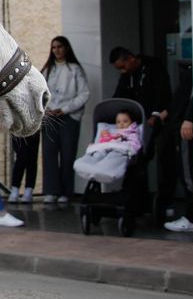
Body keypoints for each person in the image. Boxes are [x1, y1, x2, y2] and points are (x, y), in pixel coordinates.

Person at [110, 46, 173, 214]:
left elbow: (162, 92)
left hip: (154, 119)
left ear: (131, 58)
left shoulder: (153, 67)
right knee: (135, 158)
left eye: (123, 66)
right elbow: (119, 96)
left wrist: (156, 114)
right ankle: (135, 198)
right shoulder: (127, 76)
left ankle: (163, 199)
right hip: (135, 123)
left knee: (157, 157)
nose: (122, 71)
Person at [41, 35, 90, 205]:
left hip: (69, 116)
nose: (56, 50)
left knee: (68, 155)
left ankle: (66, 192)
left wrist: (65, 109)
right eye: (54, 47)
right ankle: (51, 191)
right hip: (50, 117)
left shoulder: (75, 69)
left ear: (66, 48)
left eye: (60, 47)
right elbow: (41, 93)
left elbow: (84, 94)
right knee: (49, 154)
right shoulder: (47, 70)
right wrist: (46, 109)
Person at [72, 107, 143, 192]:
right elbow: (104, 141)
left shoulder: (132, 132)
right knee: (98, 154)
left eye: (125, 121)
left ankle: (104, 169)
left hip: (119, 150)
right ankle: (89, 165)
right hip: (106, 148)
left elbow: (134, 144)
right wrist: (102, 140)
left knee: (114, 157)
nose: (121, 124)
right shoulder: (113, 131)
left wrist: (122, 139)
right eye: (118, 122)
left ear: (131, 122)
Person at [163, 64, 193, 232]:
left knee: (188, 174)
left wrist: (189, 119)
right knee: (186, 173)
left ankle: (192, 218)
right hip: (180, 123)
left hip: (185, 126)